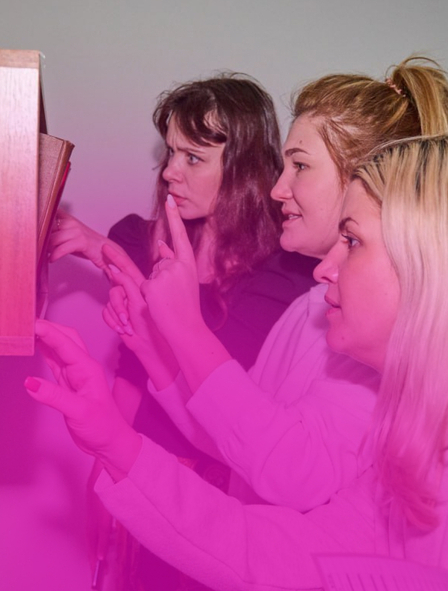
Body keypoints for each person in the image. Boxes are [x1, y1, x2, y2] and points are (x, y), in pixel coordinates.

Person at [26, 135, 448, 588]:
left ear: (427, 261)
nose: (326, 268)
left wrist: (184, 329)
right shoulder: (415, 441)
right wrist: (114, 437)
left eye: (353, 240)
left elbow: (285, 467)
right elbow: (287, 553)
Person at [103, 56, 448, 511]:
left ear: (362, 175)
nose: (277, 189)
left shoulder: (379, 328)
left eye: (300, 166)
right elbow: (234, 437)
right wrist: (150, 345)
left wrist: (186, 326)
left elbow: (294, 470)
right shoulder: (309, 305)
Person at [49, 73, 318, 589]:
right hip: (142, 474)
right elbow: (131, 372)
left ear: (243, 168)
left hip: (221, 503)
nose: (171, 171)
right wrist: (106, 466)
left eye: (193, 158)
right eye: (170, 152)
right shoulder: (142, 243)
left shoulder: (284, 277)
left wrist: (110, 258)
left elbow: (230, 398)